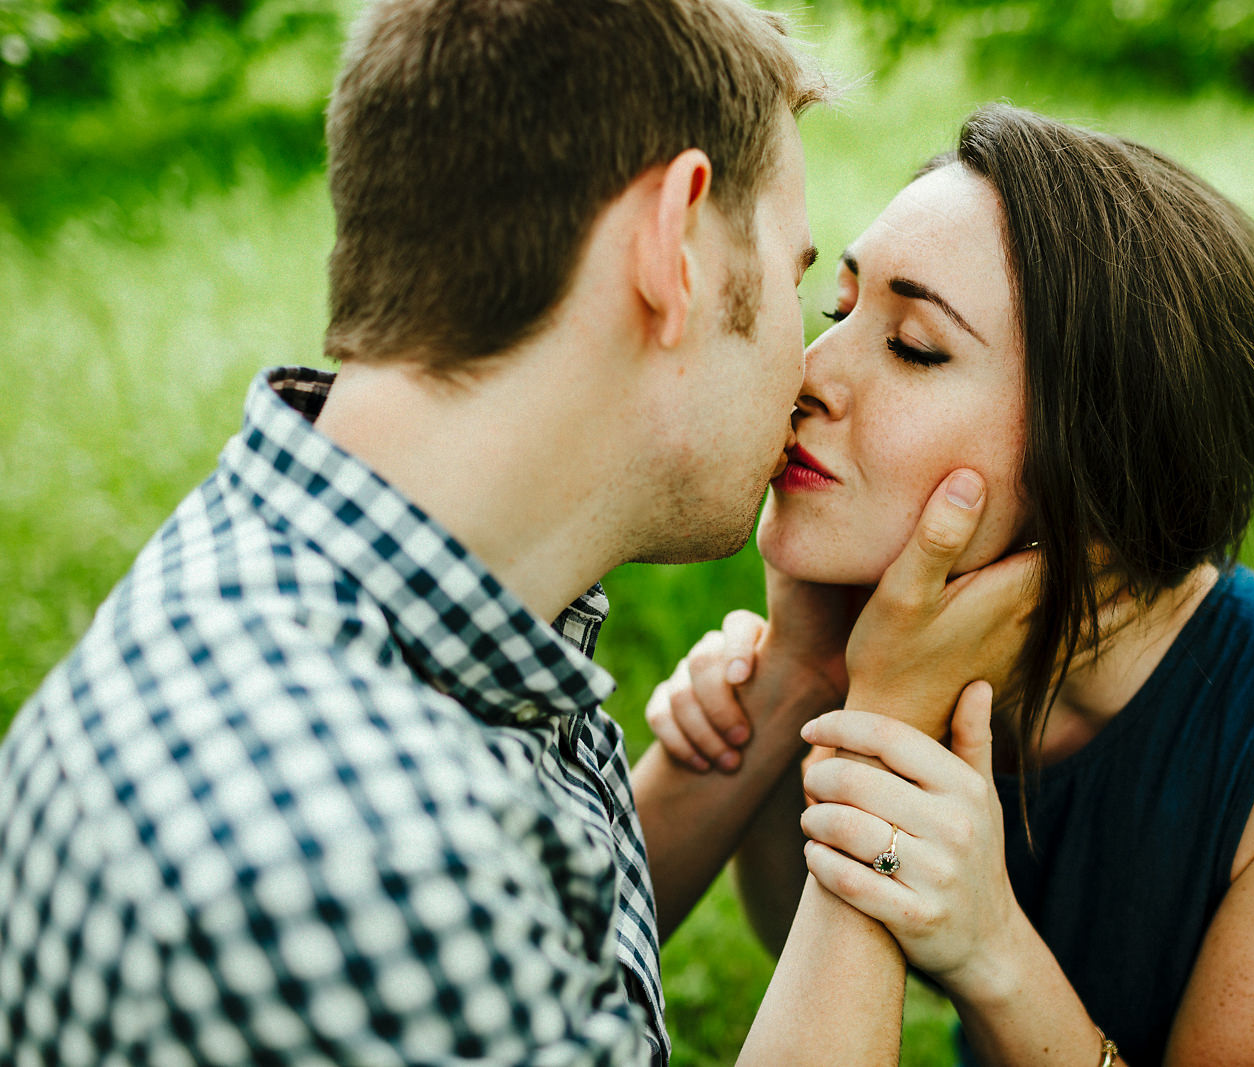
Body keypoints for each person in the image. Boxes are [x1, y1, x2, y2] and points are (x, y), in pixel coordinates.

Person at [0, 1, 1031, 1062]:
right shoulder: (375, 860)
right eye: (798, 282)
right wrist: (892, 734)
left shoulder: (354, 584)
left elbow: (562, 952)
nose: (806, 371)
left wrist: (806, 671)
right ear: (673, 245)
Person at [647, 104, 1254, 1065]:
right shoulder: (894, 627)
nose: (806, 376)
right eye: (839, 310)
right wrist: (796, 682)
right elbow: (796, 942)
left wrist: (989, 944)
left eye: (914, 346)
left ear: (1098, 463)